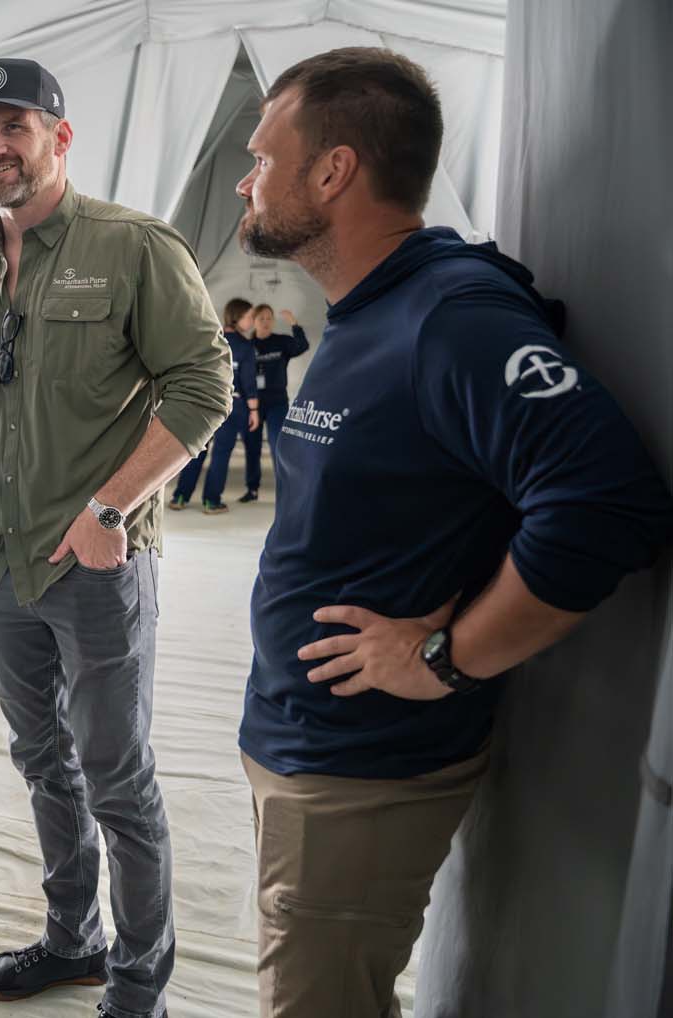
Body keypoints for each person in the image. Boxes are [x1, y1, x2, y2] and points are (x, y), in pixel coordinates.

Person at [233, 47, 673, 1017]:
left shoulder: (450, 315)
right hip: (308, 739)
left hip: (360, 765)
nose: (244, 177)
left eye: (262, 156)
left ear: (334, 170)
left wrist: (445, 655)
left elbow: (606, 497)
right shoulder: (376, 307)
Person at [0, 58, 231, 1018]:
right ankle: (74, 941)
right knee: (41, 761)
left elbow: (203, 385)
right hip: (3, 565)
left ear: (59, 138)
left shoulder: (132, 245)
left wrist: (109, 510)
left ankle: (140, 984)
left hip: (98, 570)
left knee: (116, 776)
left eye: (11, 129)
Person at [167, 299, 259, 514]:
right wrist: (254, 410)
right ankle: (211, 501)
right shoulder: (245, 347)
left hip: (204, 403)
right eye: (249, 317)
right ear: (237, 317)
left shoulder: (211, 339)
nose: (252, 321)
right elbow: (249, 382)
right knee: (221, 454)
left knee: (197, 451)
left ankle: (180, 496)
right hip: (233, 405)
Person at [237, 304, 309, 503]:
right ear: (254, 322)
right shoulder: (246, 345)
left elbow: (302, 346)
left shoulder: (282, 342)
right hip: (253, 405)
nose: (265, 322)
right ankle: (252, 489)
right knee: (252, 448)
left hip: (277, 402)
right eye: (261, 318)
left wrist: (294, 323)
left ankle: (285, 490)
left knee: (279, 445)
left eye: (269, 318)